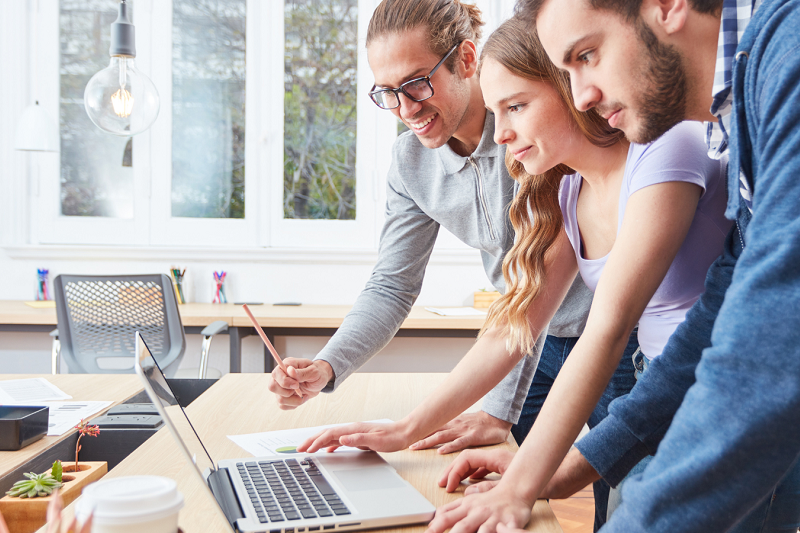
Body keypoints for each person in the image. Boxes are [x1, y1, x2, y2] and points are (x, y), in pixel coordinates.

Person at [298, 15, 730, 533]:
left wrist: (525, 481)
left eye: (516, 107)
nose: (500, 134)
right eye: (498, 111)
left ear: (567, 88)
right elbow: (515, 325)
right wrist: (407, 429)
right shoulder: (570, 192)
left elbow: (608, 329)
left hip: (715, 405)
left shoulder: (665, 148)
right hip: (662, 395)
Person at [441, 0, 800, 531]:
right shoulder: (745, 98)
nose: (582, 95)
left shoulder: (785, 58)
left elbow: (768, 344)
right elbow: (714, 317)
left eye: (587, 54)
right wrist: (574, 466)